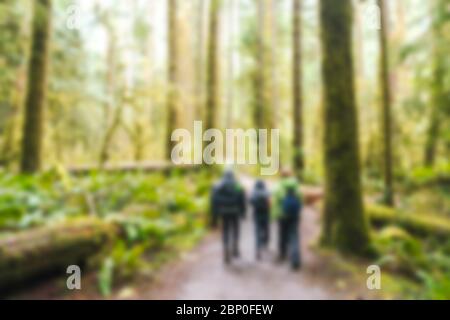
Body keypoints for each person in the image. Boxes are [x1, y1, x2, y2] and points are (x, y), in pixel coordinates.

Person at [210, 170, 246, 264]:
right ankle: (235, 248)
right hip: (235, 211)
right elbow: (242, 199)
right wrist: (243, 212)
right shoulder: (237, 185)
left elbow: (214, 201)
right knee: (235, 229)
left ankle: (226, 247)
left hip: (223, 211)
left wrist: (214, 217)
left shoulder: (218, 185)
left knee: (225, 230)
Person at [272, 168, 302, 269]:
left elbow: (276, 200)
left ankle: (282, 255)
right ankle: (295, 260)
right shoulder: (296, 185)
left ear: (281, 176)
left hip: (282, 215)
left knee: (282, 235)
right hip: (294, 215)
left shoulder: (279, 186)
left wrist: (274, 214)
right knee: (294, 236)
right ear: (290, 175)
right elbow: (300, 198)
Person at [249, 180, 271, 260]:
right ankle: (265, 243)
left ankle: (257, 250)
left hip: (257, 215)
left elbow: (250, 202)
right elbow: (270, 203)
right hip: (266, 214)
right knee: (266, 230)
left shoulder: (254, 192)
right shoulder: (267, 192)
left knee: (257, 232)